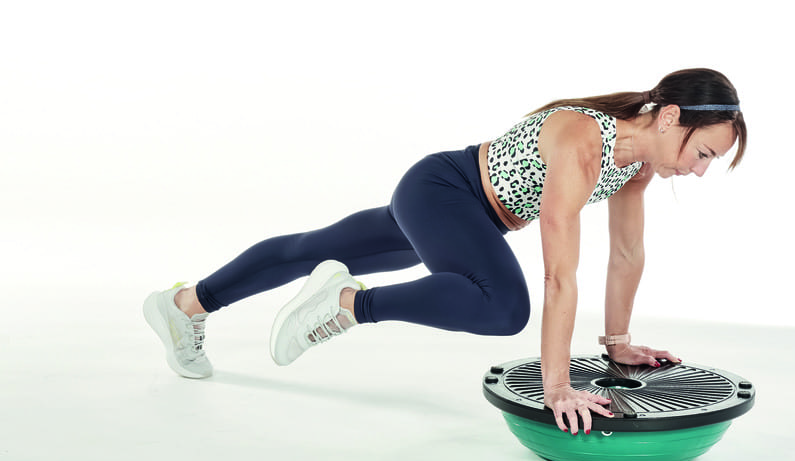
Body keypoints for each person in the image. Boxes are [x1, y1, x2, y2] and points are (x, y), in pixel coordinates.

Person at [143, 68, 747, 435]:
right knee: (503, 306)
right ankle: (349, 303)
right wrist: (557, 385)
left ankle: (185, 304)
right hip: (444, 190)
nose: (698, 171)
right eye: (704, 155)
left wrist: (618, 345)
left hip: (460, 214)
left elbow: (626, 256)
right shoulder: (583, 138)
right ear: (671, 118)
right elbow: (560, 274)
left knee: (313, 247)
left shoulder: (636, 167)